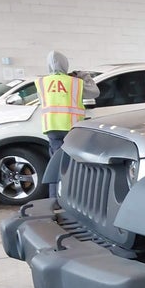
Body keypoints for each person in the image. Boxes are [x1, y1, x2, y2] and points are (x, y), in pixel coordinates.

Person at [36, 50, 99, 198]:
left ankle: (54, 199)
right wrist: (84, 75)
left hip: (52, 128)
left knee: (56, 165)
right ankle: (74, 198)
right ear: (66, 64)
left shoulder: (41, 82)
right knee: (75, 165)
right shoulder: (75, 82)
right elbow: (95, 93)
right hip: (72, 128)